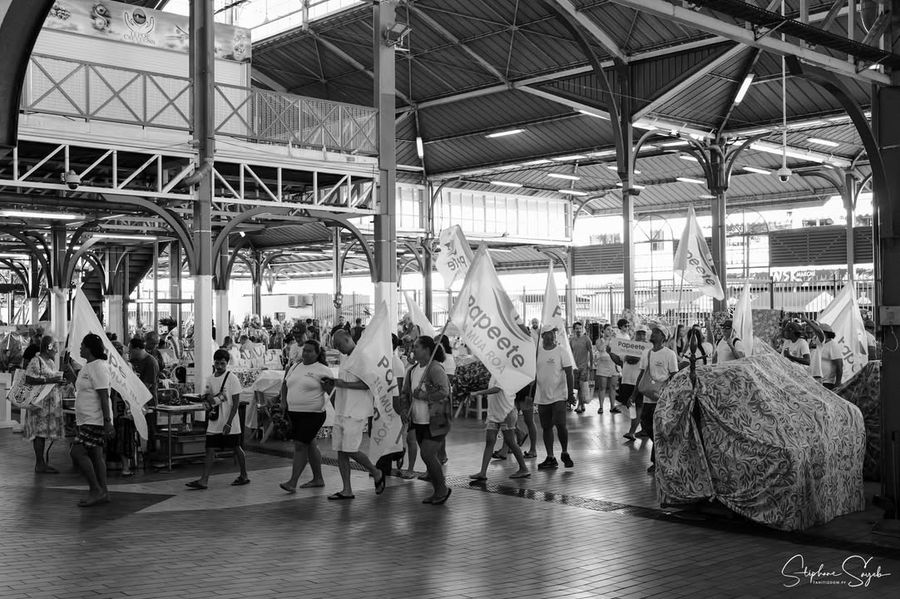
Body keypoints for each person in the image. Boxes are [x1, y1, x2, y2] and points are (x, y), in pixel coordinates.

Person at [321, 330, 386, 500]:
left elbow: (367, 384)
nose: (338, 348)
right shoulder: (346, 358)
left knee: (351, 449)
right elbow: (343, 382)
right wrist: (334, 384)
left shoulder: (363, 357)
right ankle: (347, 489)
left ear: (348, 338)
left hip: (355, 411)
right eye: (335, 346)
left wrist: (342, 383)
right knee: (341, 451)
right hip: (343, 409)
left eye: (339, 344)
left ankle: (375, 471)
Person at [399, 335, 452, 504]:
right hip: (418, 420)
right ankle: (438, 490)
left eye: (416, 346)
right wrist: (405, 409)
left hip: (436, 419)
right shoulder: (412, 370)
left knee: (428, 455)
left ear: (427, 350)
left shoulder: (435, 369)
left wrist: (424, 395)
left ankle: (442, 490)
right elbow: (405, 393)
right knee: (429, 457)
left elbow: (444, 391)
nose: (413, 349)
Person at [186, 349, 249, 489]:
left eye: (222, 363)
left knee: (236, 447)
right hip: (214, 421)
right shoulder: (210, 378)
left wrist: (229, 422)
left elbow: (236, 403)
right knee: (210, 449)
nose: (219, 366)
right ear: (213, 363)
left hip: (229, 421)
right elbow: (207, 394)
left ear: (227, 363)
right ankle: (204, 480)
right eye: (217, 363)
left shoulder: (232, 378)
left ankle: (244, 475)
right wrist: (207, 398)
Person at [278, 340, 333, 492]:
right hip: (294, 413)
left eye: (310, 351)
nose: (306, 354)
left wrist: (339, 411)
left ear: (317, 353)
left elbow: (332, 392)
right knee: (310, 444)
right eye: (305, 351)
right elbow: (284, 384)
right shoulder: (295, 366)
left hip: (313, 414)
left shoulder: (323, 370)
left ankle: (292, 482)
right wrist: (283, 401)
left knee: (300, 445)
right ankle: (318, 478)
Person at [71, 333, 114, 507]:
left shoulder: (98, 367)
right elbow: (84, 389)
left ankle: (95, 489)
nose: (80, 348)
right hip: (85, 418)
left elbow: (104, 396)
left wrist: (107, 421)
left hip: (94, 418)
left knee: (77, 452)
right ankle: (103, 491)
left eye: (82, 345)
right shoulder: (87, 366)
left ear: (89, 348)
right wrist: (70, 377)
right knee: (96, 455)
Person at [630, 326, 679, 473]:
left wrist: (671, 396)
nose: (653, 333)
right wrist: (634, 394)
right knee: (646, 425)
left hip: (662, 398)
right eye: (654, 331)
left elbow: (674, 376)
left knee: (658, 428)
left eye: (657, 332)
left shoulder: (669, 354)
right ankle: (661, 451)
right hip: (647, 397)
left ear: (663, 337)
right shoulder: (647, 353)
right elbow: (642, 375)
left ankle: (657, 460)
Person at [469, 376, 531, 483]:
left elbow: (497, 389)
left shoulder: (504, 374)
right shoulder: (494, 374)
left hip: (506, 413)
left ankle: (524, 468)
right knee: (490, 440)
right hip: (494, 413)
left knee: (510, 441)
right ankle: (483, 472)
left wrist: (478, 392)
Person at [534, 325, 574, 470]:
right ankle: (550, 457)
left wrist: (570, 395)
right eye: (549, 333)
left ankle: (564, 452)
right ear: (543, 336)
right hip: (542, 395)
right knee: (546, 427)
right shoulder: (537, 353)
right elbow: (533, 374)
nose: (552, 336)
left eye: (554, 333)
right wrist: (530, 395)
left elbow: (570, 373)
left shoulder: (561, 351)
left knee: (560, 424)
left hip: (559, 395)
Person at [23, 336, 65, 474]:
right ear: (48, 347)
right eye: (55, 348)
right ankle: (39, 463)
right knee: (39, 433)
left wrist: (58, 381)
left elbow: (51, 379)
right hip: (39, 404)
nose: (56, 351)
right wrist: (50, 379)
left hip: (48, 405)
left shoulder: (51, 362)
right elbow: (28, 379)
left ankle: (41, 463)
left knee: (43, 433)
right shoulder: (36, 361)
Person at [126, 336, 160, 474]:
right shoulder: (133, 361)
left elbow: (146, 386)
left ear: (138, 348)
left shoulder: (150, 362)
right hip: (135, 402)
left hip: (148, 403)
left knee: (149, 431)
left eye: (131, 350)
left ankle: (150, 460)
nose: (130, 353)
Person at [613, 325, 648, 441]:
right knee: (633, 407)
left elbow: (634, 360)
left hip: (638, 382)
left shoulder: (647, 349)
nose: (641, 336)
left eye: (643, 334)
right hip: (627, 381)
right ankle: (643, 429)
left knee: (638, 406)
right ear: (635, 334)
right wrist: (610, 353)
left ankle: (632, 432)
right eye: (639, 333)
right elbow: (620, 360)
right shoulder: (629, 346)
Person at [594, 324, 619, 414]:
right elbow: (600, 348)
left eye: (611, 330)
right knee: (602, 387)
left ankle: (613, 406)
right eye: (608, 329)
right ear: (603, 331)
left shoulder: (615, 341)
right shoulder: (599, 341)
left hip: (613, 365)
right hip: (602, 366)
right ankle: (601, 407)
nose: (610, 331)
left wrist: (614, 340)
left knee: (613, 387)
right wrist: (607, 340)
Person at [570, 321, 593, 413]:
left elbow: (591, 352)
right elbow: (570, 353)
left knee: (582, 385)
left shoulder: (586, 339)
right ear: (574, 329)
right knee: (577, 387)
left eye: (580, 328)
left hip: (584, 366)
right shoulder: (572, 340)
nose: (578, 330)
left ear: (582, 329)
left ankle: (580, 404)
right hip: (575, 367)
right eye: (577, 328)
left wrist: (591, 365)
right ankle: (582, 404)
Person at [818, 323, 843, 389]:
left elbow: (839, 366)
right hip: (817, 381)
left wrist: (838, 383)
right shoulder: (818, 345)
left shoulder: (833, 346)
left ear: (824, 334)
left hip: (827, 383)